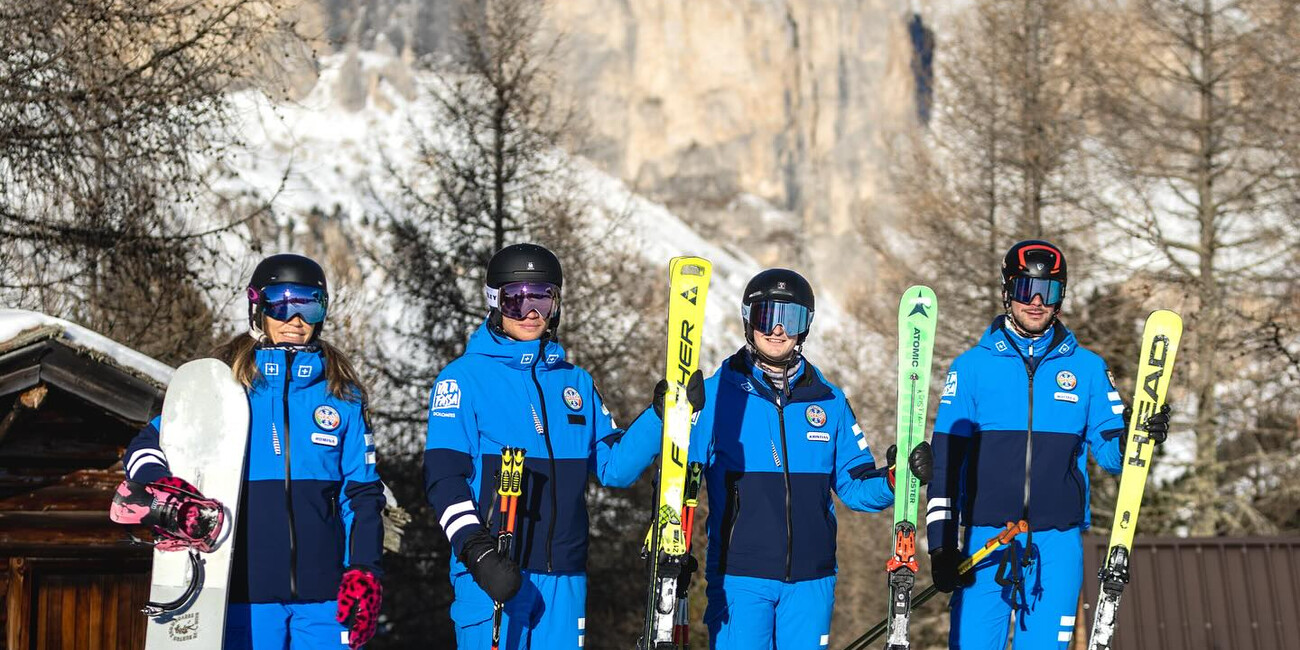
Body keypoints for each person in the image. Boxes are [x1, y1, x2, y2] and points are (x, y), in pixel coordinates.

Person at [628, 268, 933, 649]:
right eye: (765, 315)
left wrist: (897, 477)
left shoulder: (830, 401)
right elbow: (624, 469)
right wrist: (660, 414)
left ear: (805, 326)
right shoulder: (715, 395)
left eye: (790, 318)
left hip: (812, 583)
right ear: (747, 319)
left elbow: (855, 487)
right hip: (741, 580)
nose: (777, 329)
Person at [118, 253, 385, 649]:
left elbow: (361, 496)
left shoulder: (341, 395)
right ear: (258, 308)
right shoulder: (224, 387)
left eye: (309, 305)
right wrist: (162, 485)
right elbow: (146, 445)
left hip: (326, 602)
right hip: (243, 599)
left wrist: (364, 570)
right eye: (281, 303)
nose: (295, 320)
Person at [422, 243, 672, 649]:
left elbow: (615, 469)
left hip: (565, 580)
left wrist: (660, 417)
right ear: (495, 302)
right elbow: (443, 480)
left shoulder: (576, 383)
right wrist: (478, 554)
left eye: (542, 298)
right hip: (496, 573)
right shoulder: (463, 379)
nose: (531, 312)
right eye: (516, 301)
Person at [925, 240, 1171, 649]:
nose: (1036, 302)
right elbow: (945, 464)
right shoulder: (971, 368)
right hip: (986, 540)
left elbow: (1112, 455)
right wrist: (941, 546)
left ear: (1061, 298)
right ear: (1008, 290)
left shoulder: (1089, 369)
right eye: (1026, 289)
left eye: (1049, 291)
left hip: (1057, 544)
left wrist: (1134, 436)